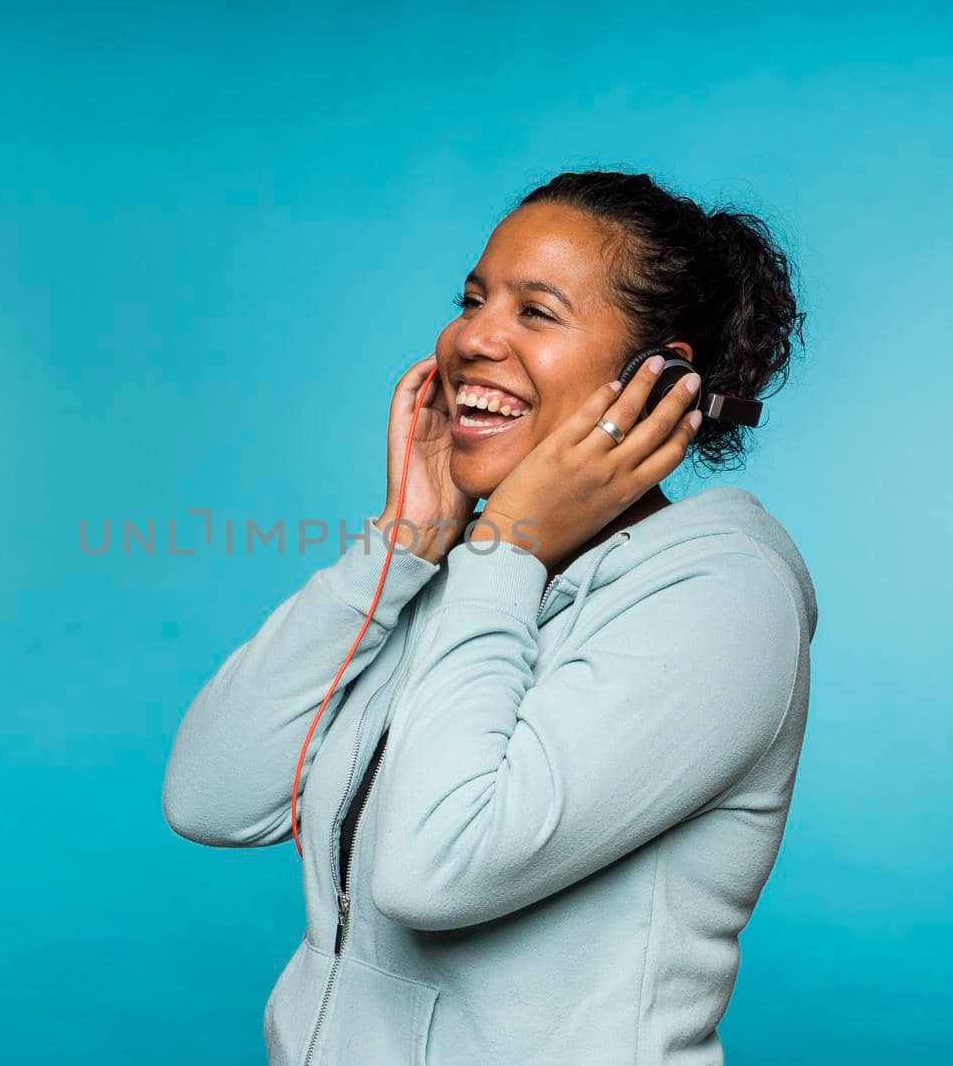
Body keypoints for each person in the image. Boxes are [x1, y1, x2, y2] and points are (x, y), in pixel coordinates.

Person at [161, 169, 817, 1065]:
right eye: (473, 300)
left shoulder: (724, 600)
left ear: (660, 382)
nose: (474, 337)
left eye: (535, 312)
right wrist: (403, 545)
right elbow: (211, 798)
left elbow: (435, 872)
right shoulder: (458, 573)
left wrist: (504, 552)